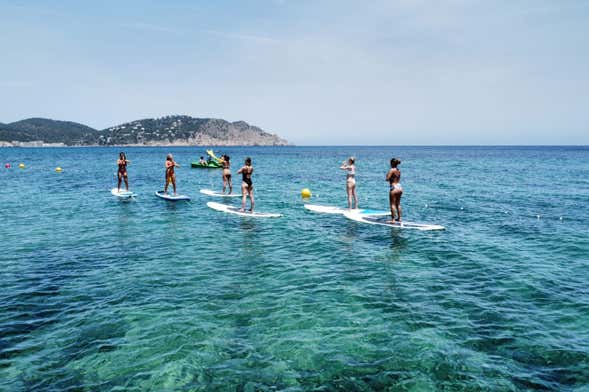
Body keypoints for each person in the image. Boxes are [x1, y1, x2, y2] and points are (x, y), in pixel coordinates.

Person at [386, 158, 403, 223]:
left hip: (393, 187)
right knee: (398, 204)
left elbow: (387, 179)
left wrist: (387, 175)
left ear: (392, 163)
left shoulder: (391, 170)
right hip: (399, 186)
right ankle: (399, 218)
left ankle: (393, 220)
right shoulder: (399, 170)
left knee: (392, 204)